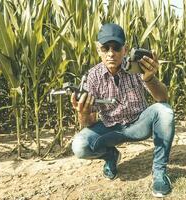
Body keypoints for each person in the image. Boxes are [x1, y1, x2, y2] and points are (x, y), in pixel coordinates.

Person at [70, 23, 175, 198]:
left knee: (165, 111)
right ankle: (111, 156)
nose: (111, 53)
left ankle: (159, 173)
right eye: (105, 48)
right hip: (111, 128)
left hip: (139, 124)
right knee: (80, 146)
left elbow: (162, 98)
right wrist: (83, 111)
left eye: (116, 47)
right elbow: (88, 124)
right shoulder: (92, 76)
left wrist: (149, 78)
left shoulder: (135, 66)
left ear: (125, 49)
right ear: (98, 50)